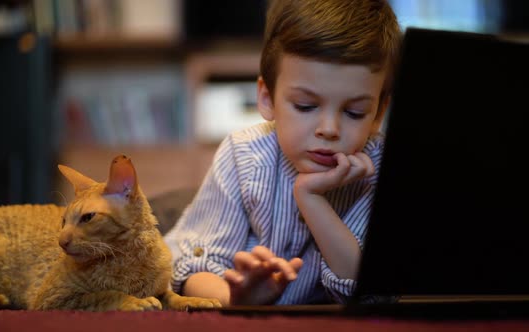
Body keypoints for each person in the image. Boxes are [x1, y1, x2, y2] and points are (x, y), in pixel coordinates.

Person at [164, 0, 401, 306]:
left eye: (355, 112)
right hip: (187, 226)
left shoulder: (379, 166)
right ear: (266, 98)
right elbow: (192, 267)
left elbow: (368, 293)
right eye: (305, 106)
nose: (329, 129)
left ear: (379, 112)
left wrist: (312, 200)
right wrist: (235, 296)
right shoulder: (243, 154)